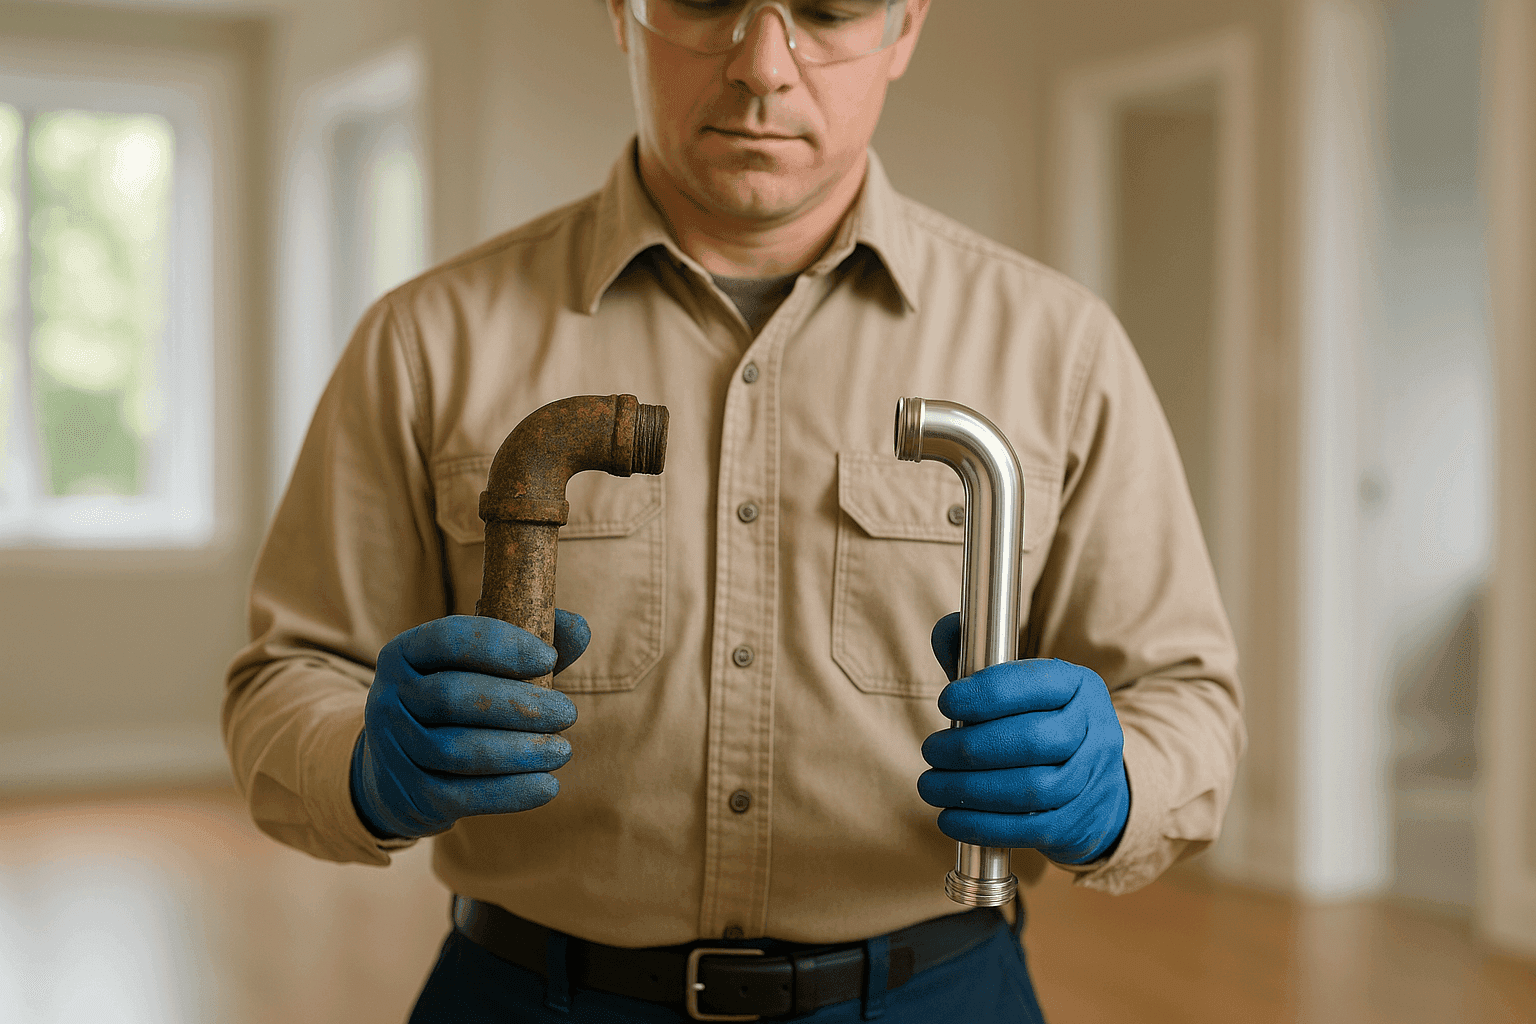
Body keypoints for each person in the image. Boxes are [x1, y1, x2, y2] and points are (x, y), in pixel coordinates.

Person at [224, 1, 1244, 1020]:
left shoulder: (1061, 349)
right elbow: (286, 678)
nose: (763, 66)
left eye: (830, 10)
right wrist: (363, 762)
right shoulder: (425, 339)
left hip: (936, 994)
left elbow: (1187, 695)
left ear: (907, 27)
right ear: (622, 16)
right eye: (706, 1)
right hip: (532, 995)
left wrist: (1119, 789)